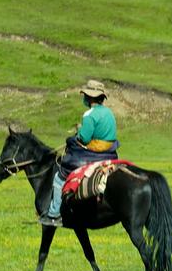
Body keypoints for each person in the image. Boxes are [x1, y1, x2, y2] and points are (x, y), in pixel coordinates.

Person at [44, 80, 118, 225]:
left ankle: (54, 213)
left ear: (89, 98)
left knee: (61, 175)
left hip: (94, 152)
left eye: (85, 96)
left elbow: (84, 139)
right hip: (110, 152)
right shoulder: (109, 112)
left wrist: (78, 131)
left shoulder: (89, 114)